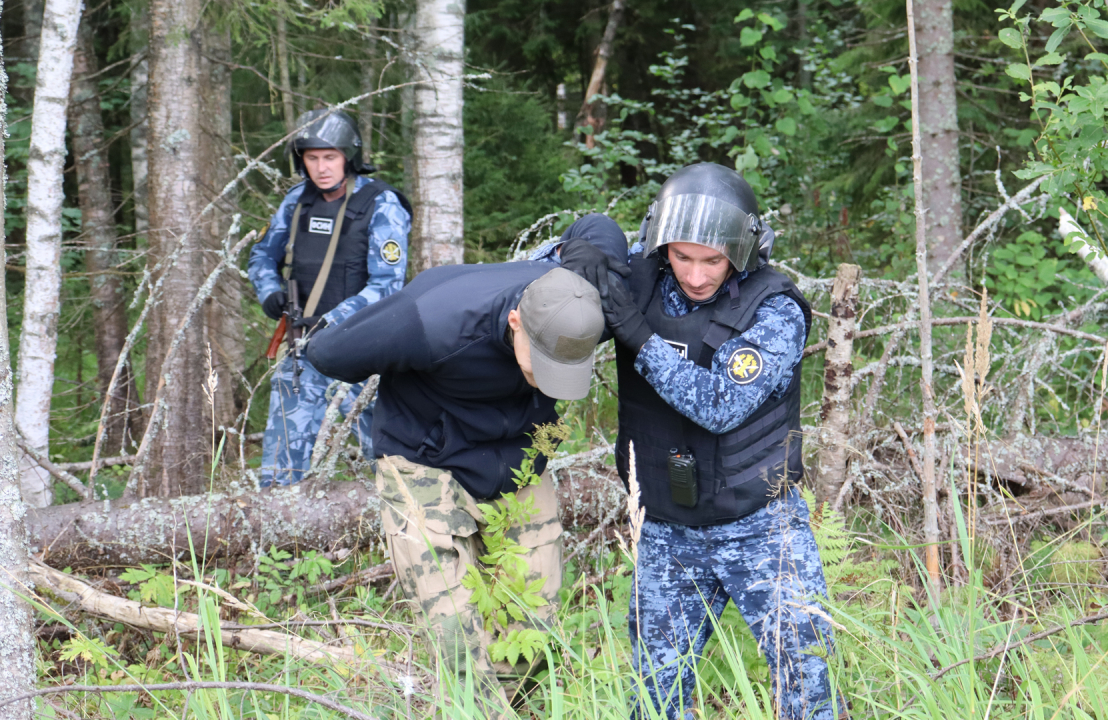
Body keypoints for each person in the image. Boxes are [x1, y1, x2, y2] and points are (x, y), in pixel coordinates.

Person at [306, 216, 627, 707]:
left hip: (519, 458)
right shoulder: (432, 320)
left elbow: (600, 226)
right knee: (455, 628)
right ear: (517, 322)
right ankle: (472, 707)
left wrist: (589, 254)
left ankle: (503, 708)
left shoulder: (580, 311)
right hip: (426, 461)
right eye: (539, 366)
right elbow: (329, 353)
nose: (548, 380)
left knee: (533, 617)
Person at [598, 163, 840, 719]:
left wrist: (637, 336)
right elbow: (539, 283)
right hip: (665, 528)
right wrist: (587, 249)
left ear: (744, 250)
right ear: (662, 246)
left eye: (713, 260)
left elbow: (721, 404)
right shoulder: (641, 282)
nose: (697, 275)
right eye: (682, 257)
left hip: (761, 526)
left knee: (808, 687)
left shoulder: (775, 310)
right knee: (655, 698)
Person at [248, 109, 411, 488]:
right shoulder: (297, 201)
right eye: (312, 158)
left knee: (389, 458)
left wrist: (336, 318)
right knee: (282, 461)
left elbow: (387, 284)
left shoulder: (382, 204)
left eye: (330, 157)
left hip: (364, 348)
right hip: (303, 347)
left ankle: (399, 529)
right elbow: (261, 255)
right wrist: (269, 290)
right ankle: (279, 531)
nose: (321, 167)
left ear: (348, 156)